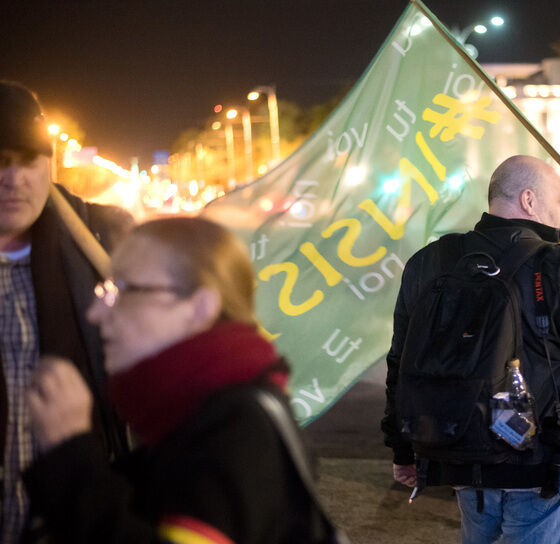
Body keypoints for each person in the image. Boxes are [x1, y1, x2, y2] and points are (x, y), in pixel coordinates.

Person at [382, 155, 560, 544]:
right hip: (538, 465)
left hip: (456, 455)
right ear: (530, 201)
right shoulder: (554, 262)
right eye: (558, 201)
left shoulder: (429, 261)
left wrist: (403, 448)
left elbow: (400, 361)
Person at [24, 217, 334, 543]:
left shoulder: (238, 425)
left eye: (124, 290)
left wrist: (70, 455)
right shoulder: (192, 409)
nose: (96, 313)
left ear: (201, 307)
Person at [0, 80, 131, 542]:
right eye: (0, 162)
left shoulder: (105, 243)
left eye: (29, 160)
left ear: (49, 161)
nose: (14, 179)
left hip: (77, 523)